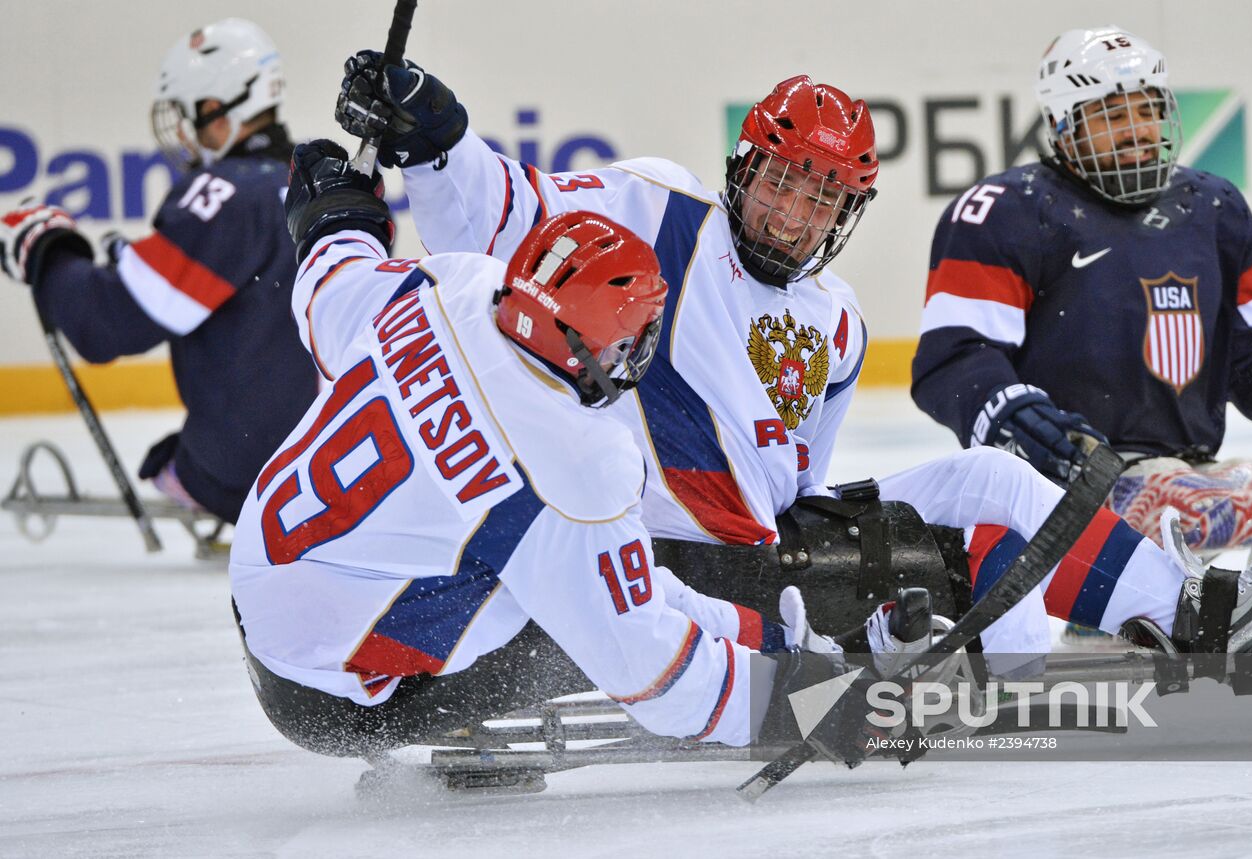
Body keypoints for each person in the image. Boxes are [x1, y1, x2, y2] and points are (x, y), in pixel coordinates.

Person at [329, 51, 1252, 664]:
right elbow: (490, 219)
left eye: (821, 196)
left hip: (764, 547)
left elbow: (794, 479)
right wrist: (433, 138)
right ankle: (1015, 657)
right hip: (650, 546)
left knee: (987, 477)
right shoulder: (654, 207)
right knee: (946, 557)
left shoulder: (837, 321)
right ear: (743, 164)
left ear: (845, 214)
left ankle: (1189, 609)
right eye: (781, 178)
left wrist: (861, 544)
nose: (792, 209)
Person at [230, 139, 931, 761]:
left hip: (262, 577)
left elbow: (331, 293)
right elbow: (655, 673)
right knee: (573, 604)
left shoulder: (451, 287)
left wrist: (334, 215)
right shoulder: (573, 465)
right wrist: (804, 706)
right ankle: (456, 719)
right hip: (333, 700)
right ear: (598, 351)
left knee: (569, 566)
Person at [912, 26, 1252, 555]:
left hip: (1181, 475)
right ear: (1060, 124)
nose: (1138, 130)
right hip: (1053, 484)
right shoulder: (1002, 210)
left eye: (1149, 111)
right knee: (1196, 504)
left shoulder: (1214, 208)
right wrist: (1014, 419)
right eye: (1112, 116)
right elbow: (955, 358)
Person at [0, 18, 318, 524]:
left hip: (253, 473)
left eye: (192, 115)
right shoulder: (325, 182)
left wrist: (46, 252)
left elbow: (109, 323)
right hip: (350, 462)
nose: (186, 133)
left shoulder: (225, 196)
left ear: (216, 110)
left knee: (184, 462)